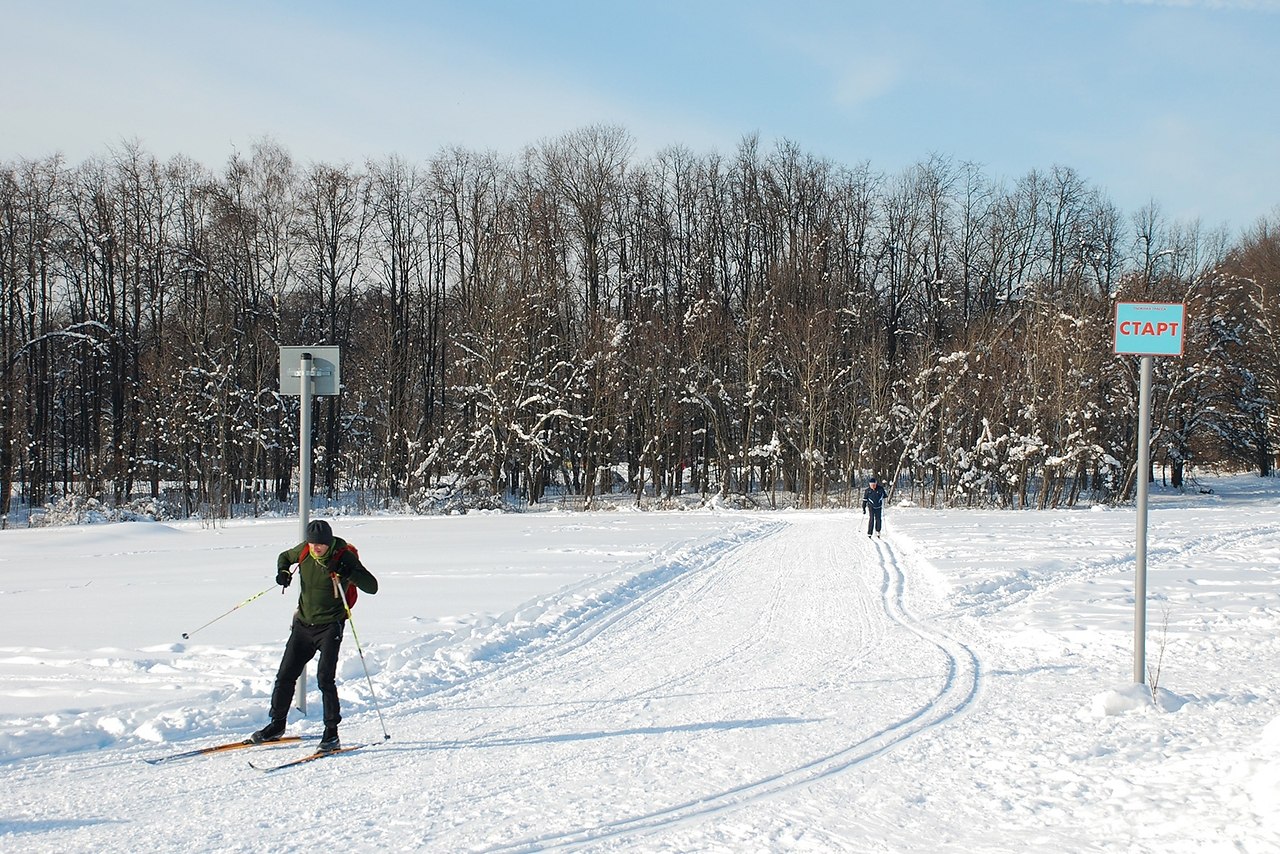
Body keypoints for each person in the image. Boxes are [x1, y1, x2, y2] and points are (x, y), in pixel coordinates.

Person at [250, 519, 378, 752]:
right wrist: (282, 572)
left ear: (329, 542)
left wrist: (349, 572)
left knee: (324, 680)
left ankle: (331, 734)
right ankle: (276, 725)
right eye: (312, 543)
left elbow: (372, 586)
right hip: (302, 626)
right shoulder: (304, 551)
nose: (316, 548)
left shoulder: (342, 555)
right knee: (285, 676)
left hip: (330, 627)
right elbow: (284, 557)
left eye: (321, 544)